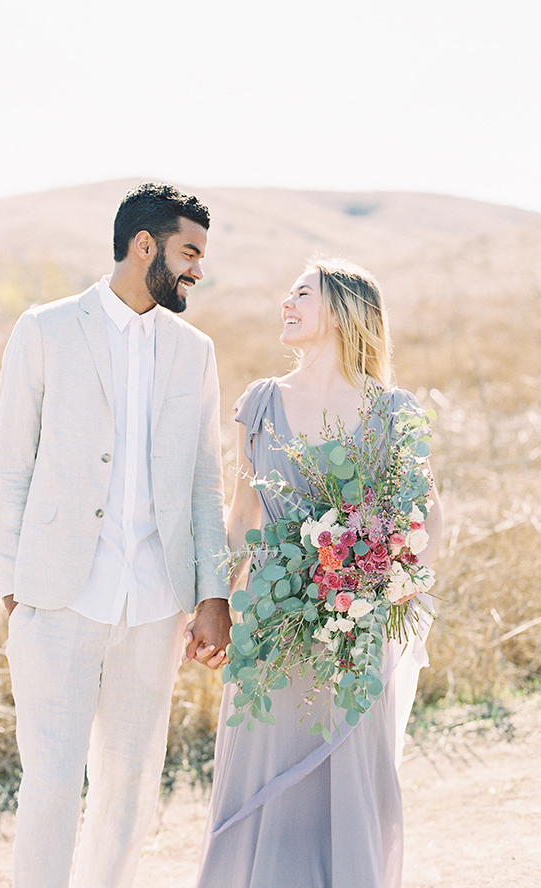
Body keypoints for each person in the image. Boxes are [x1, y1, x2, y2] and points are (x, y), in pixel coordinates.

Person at [0, 182, 231, 888]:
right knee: (54, 783)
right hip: (57, 597)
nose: (197, 270)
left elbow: (204, 482)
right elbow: (12, 469)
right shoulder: (45, 329)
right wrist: (13, 584)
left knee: (130, 788)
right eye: (190, 252)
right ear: (144, 244)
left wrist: (212, 594)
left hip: (154, 602)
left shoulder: (195, 352)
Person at [195, 259, 443, 888]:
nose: (286, 301)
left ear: (341, 310)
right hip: (274, 628)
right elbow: (241, 517)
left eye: (302, 293)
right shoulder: (262, 402)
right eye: (289, 292)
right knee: (261, 773)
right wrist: (216, 603)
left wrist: (387, 582)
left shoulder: (393, 409)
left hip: (356, 634)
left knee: (346, 779)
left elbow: (426, 514)